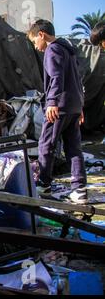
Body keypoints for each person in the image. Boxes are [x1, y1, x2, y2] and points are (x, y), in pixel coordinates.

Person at [27, 19, 88, 204]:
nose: (36, 47)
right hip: (74, 106)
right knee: (73, 148)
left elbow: (56, 77)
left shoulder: (52, 49)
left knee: (46, 144)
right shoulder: (68, 51)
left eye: (34, 42)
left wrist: (52, 101)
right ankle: (80, 190)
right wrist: (80, 107)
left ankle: (43, 184)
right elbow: (77, 80)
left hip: (59, 106)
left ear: (41, 35)